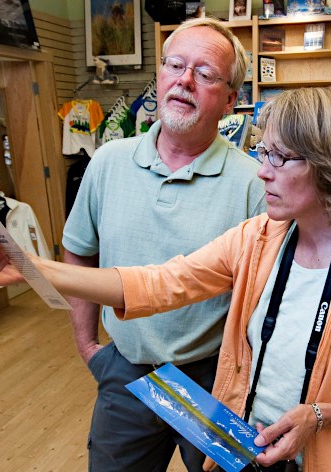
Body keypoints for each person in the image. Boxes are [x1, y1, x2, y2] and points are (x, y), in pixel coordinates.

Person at [0, 87, 331, 471]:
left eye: (280, 157)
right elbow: (159, 283)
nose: (263, 172)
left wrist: (321, 417)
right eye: (263, 153)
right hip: (243, 453)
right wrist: (30, 267)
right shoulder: (261, 237)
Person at [62, 17, 265, 472]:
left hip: (209, 380)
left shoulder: (254, 182)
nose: (185, 81)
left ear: (231, 100)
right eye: (175, 65)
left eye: (206, 73)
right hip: (125, 372)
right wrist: (87, 346)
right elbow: (79, 250)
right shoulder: (107, 163)